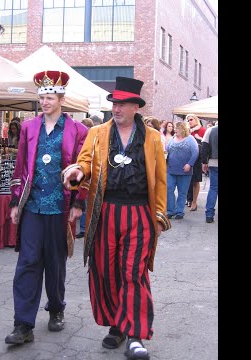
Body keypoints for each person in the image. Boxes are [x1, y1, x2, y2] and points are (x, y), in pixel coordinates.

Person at [62, 76, 171, 360]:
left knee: (133, 273)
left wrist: (159, 215)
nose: (117, 109)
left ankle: (135, 335)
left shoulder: (153, 138)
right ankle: (117, 325)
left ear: (136, 106)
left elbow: (160, 180)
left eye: (123, 104)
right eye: (114, 103)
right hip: (106, 211)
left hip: (139, 214)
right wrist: (78, 172)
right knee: (106, 271)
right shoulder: (97, 133)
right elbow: (85, 162)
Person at [4, 70, 89, 345]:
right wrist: (16, 200)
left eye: (50, 96)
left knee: (55, 262)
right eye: (42, 97)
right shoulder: (29, 127)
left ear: (61, 98)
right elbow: (20, 166)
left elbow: (87, 168)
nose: (45, 101)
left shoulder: (79, 130)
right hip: (33, 206)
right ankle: (23, 324)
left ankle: (56, 309)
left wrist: (79, 202)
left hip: (61, 207)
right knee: (27, 262)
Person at [166, 121, 199, 219]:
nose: (175, 129)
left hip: (185, 171)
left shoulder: (190, 139)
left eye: (177, 128)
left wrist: (190, 164)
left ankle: (179, 212)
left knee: (182, 192)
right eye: (175, 128)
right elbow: (167, 151)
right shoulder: (172, 139)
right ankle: (171, 210)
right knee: (169, 189)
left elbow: (195, 152)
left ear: (183, 129)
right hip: (171, 169)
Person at [75, 118, 94, 238]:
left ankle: (84, 228)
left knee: (85, 202)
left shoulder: (91, 138)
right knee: (85, 203)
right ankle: (84, 228)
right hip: (83, 174)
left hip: (87, 176)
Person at [185, 114, 206, 211]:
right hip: (186, 158)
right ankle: (187, 199)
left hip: (197, 159)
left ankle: (194, 202)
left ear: (196, 120)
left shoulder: (202, 130)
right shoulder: (186, 131)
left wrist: (199, 138)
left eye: (191, 119)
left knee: (195, 181)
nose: (189, 121)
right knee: (185, 181)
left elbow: (206, 144)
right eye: (188, 120)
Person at [201, 121, 218, 223]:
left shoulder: (210, 130)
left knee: (213, 188)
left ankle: (209, 215)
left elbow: (204, 148)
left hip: (214, 163)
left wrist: (204, 162)